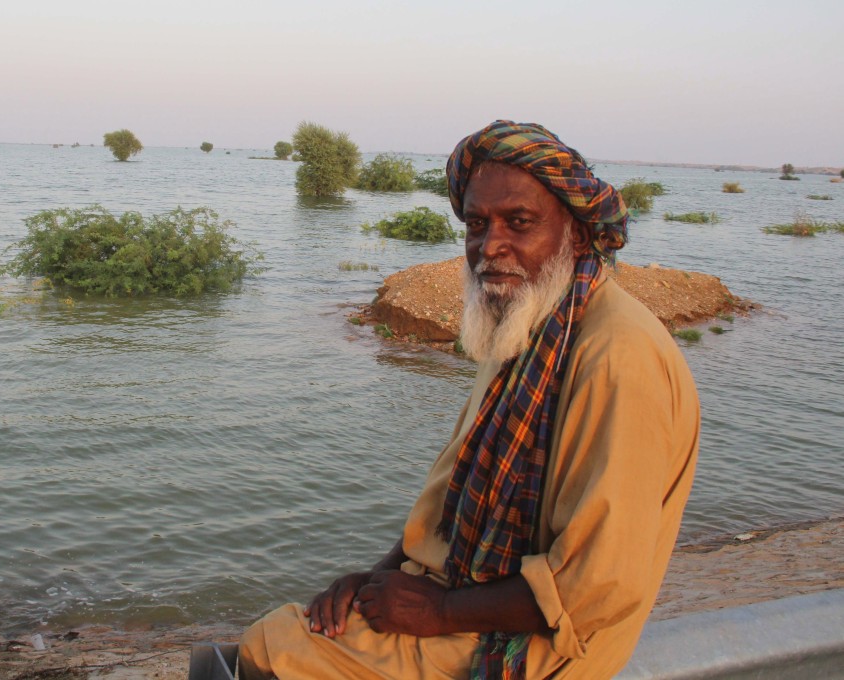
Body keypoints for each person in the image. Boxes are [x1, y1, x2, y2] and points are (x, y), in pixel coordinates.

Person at [239, 120, 700, 679]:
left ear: (577, 234)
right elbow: (451, 500)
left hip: (541, 645)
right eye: (477, 224)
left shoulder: (616, 355)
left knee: (273, 649)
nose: (491, 246)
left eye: (519, 222)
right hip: (467, 597)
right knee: (296, 629)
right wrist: (376, 578)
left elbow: (599, 586)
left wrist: (438, 610)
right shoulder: (529, 324)